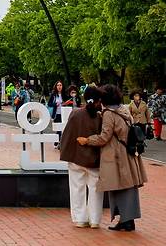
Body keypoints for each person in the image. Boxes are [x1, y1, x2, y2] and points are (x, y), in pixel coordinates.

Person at [77, 84, 147, 232]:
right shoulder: (123, 109)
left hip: (116, 156)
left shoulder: (109, 113)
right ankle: (128, 220)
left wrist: (87, 140)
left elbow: (104, 137)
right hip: (128, 153)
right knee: (129, 186)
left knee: (119, 187)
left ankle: (125, 221)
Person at [60, 86, 104, 228]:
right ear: (98, 101)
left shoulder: (75, 114)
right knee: (95, 189)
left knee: (76, 188)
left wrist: (65, 153)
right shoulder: (99, 117)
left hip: (76, 158)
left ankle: (80, 218)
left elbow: (67, 136)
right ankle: (95, 220)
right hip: (94, 159)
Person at [48, 80, 65, 148]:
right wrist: (55, 104)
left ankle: (59, 142)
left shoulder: (64, 95)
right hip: (56, 114)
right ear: (56, 86)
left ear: (62, 86)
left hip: (63, 113)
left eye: (60, 85)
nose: (59, 86)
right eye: (58, 85)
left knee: (62, 129)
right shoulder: (53, 95)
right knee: (59, 129)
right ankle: (57, 142)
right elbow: (49, 103)